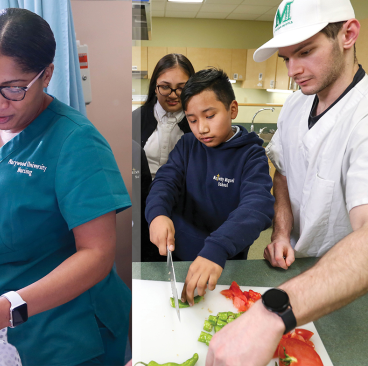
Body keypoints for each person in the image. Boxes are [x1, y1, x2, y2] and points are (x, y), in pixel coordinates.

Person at [0, 8, 131, 366]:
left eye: (15, 88)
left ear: (46, 75)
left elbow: (97, 255)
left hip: (67, 330)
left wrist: (4, 310)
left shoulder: (76, 143)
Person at [206, 0, 368, 364]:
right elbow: (283, 171)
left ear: (348, 34)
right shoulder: (296, 105)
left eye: (306, 52)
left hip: (348, 287)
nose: (294, 70)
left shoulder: (363, 117)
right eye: (286, 58)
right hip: (293, 270)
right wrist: (281, 231)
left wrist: (270, 315)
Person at [145, 68, 274, 305]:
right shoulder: (187, 145)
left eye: (210, 116)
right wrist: (157, 215)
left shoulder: (251, 155)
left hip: (223, 262)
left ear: (232, 109)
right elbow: (165, 181)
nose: (201, 128)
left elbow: (257, 206)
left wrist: (217, 247)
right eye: (192, 120)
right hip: (181, 259)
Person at [134, 53, 195, 262]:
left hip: (185, 214)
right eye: (165, 86)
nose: (173, 94)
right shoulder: (135, 120)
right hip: (141, 214)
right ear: (154, 86)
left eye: (181, 87)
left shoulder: (199, 125)